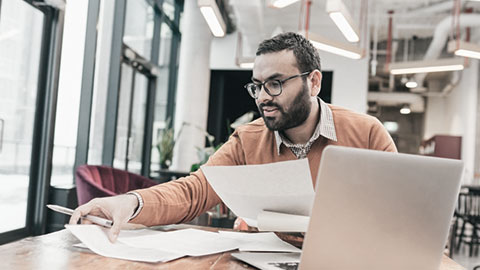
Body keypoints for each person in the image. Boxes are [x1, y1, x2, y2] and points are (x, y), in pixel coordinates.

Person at [70, 32, 397, 242]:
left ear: (313, 82)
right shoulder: (248, 139)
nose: (263, 97)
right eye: (257, 85)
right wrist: (129, 202)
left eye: (276, 83)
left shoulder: (366, 134)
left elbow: (397, 215)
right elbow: (194, 191)